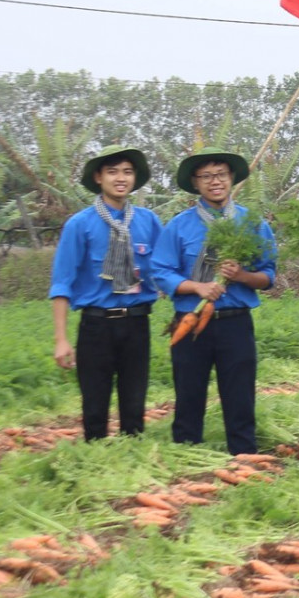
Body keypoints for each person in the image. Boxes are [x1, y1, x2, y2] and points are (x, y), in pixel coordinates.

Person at [151, 150, 277, 455]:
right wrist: (198, 287)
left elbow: (269, 275)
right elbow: (160, 271)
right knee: (189, 392)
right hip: (190, 322)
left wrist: (242, 275)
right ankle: (186, 452)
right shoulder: (179, 226)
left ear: (231, 178)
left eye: (221, 174)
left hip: (235, 322)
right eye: (206, 176)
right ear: (196, 182)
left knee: (240, 394)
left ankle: (244, 454)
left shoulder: (252, 224)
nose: (215, 181)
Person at [49, 147, 163, 441]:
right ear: (98, 178)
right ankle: (95, 465)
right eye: (112, 172)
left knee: (134, 405)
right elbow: (62, 284)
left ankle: (131, 465)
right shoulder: (80, 224)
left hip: (137, 324)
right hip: (96, 325)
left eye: (127, 171)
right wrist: (61, 339)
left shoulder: (148, 222)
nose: (120, 178)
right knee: (95, 406)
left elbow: (166, 269)